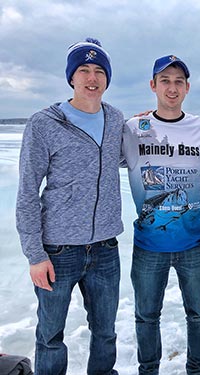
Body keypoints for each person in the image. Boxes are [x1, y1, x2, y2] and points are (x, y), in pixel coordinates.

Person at [16, 37, 124, 375]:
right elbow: (26, 193)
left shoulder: (116, 119)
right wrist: (35, 254)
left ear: (107, 77)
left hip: (105, 248)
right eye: (83, 70)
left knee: (105, 334)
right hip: (58, 251)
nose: (92, 78)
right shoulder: (44, 123)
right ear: (71, 78)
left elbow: (124, 157)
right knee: (50, 336)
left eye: (98, 71)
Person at [122, 55, 200, 375]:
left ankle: (197, 370)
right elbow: (96, 157)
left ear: (187, 88)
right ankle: (148, 370)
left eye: (178, 81)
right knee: (145, 316)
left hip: (194, 243)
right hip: (148, 244)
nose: (172, 87)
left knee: (198, 313)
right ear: (153, 85)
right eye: (165, 81)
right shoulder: (132, 129)